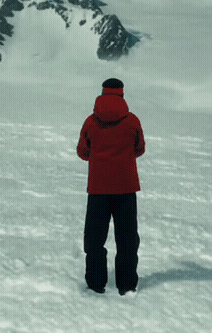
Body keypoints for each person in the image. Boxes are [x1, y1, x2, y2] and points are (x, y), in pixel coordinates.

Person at [77, 78, 145, 295]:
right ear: (122, 95)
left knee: (95, 239)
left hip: (98, 189)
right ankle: (126, 285)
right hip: (126, 187)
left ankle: (96, 284)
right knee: (127, 239)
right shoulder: (132, 120)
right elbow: (140, 148)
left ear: (102, 94)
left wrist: (99, 158)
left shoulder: (91, 121)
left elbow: (82, 152)